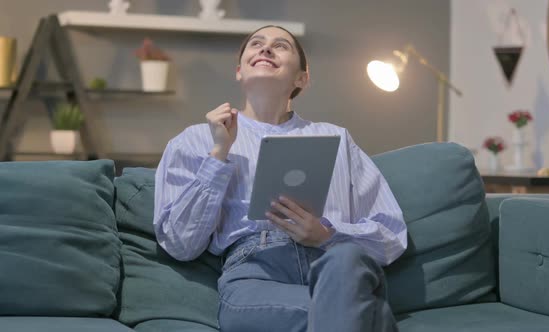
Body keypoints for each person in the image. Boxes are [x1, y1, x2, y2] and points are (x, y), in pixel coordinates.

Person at [153, 25, 407, 332]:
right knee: (362, 316)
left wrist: (327, 235)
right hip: (255, 275)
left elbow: (391, 235)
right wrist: (220, 152)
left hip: (331, 266)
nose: (265, 49)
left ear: (302, 78)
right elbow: (180, 243)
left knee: (346, 263)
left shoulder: (337, 139)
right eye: (256, 44)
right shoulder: (196, 140)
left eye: (281, 45)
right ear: (239, 71)